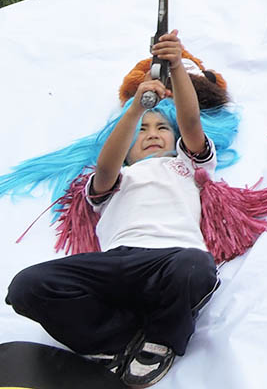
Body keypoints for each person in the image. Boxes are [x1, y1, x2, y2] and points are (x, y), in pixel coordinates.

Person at [5, 31, 224, 387]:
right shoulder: (116, 178)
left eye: (161, 127)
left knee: (195, 268)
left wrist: (176, 67)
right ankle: (114, 341)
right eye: (142, 130)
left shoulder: (186, 165)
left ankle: (161, 338)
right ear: (126, 145)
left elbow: (191, 123)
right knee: (28, 286)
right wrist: (137, 107)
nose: (152, 133)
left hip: (170, 260)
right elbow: (105, 167)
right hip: (115, 265)